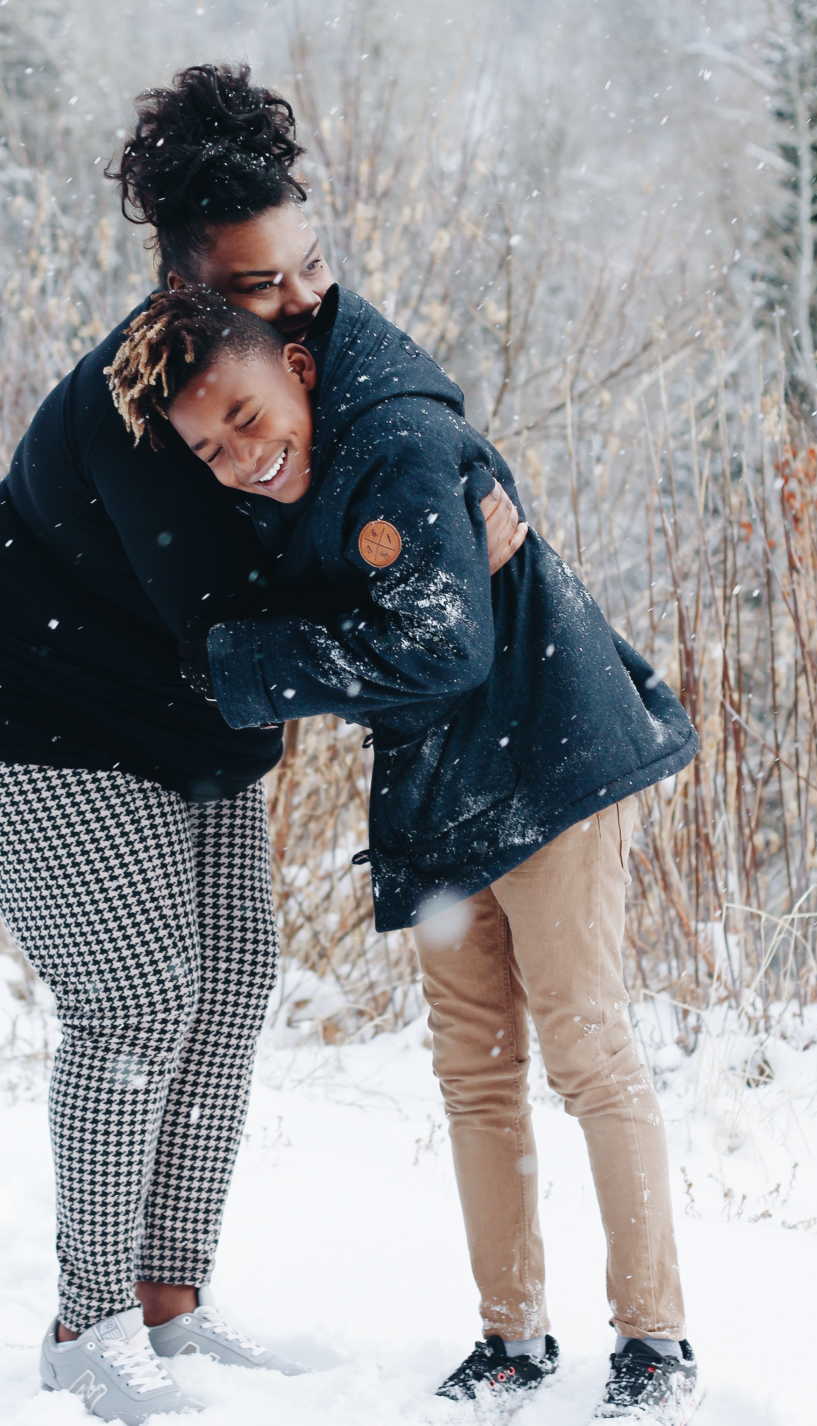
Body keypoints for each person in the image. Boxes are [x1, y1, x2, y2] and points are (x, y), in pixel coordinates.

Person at [0, 64, 522, 1424]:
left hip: (195, 730)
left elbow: (409, 416)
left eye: (308, 267)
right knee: (137, 996)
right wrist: (417, 592)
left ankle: (172, 1301)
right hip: (44, 715)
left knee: (232, 983)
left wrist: (474, 494)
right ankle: (86, 1319)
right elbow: (237, 621)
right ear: (187, 290)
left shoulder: (305, 330)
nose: (303, 303)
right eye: (260, 285)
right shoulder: (148, 411)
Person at [108, 279, 702, 1425]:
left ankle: (654, 1339)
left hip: (549, 754)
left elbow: (441, 649)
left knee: (587, 1048)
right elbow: (397, 636)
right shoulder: (283, 489)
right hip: (436, 787)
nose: (240, 453)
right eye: (209, 446)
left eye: (245, 415)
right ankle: (513, 1337)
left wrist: (253, 662)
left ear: (301, 370)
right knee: (476, 1073)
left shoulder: (398, 444)